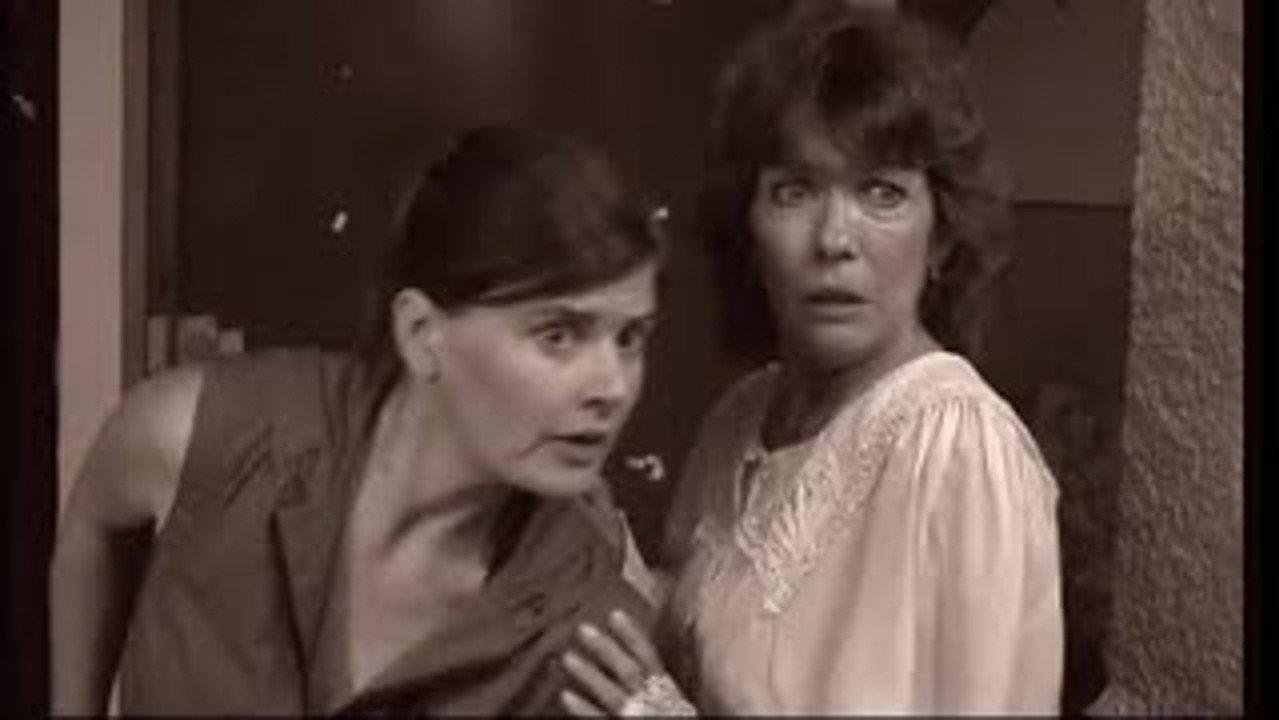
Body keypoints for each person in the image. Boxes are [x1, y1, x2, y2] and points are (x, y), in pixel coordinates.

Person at [50, 126, 668, 715]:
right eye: (558, 334)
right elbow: (94, 525)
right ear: (421, 333)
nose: (612, 388)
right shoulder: (202, 437)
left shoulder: (594, 638)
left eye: (631, 338)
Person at [560, 6, 1064, 715]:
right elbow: (703, 650)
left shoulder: (958, 450)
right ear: (747, 226)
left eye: (881, 193)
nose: (833, 239)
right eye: (794, 191)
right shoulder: (740, 417)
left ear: (942, 237)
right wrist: (595, 541)